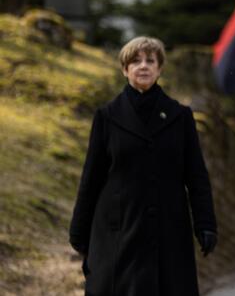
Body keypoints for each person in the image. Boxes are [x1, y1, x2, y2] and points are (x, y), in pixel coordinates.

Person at [69, 36, 217, 296]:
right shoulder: (106, 117)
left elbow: (196, 177)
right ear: (125, 69)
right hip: (118, 233)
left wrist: (205, 224)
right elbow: (90, 179)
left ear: (160, 68)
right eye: (135, 61)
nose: (143, 66)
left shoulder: (180, 116)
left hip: (168, 231)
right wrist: (79, 233)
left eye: (151, 60)